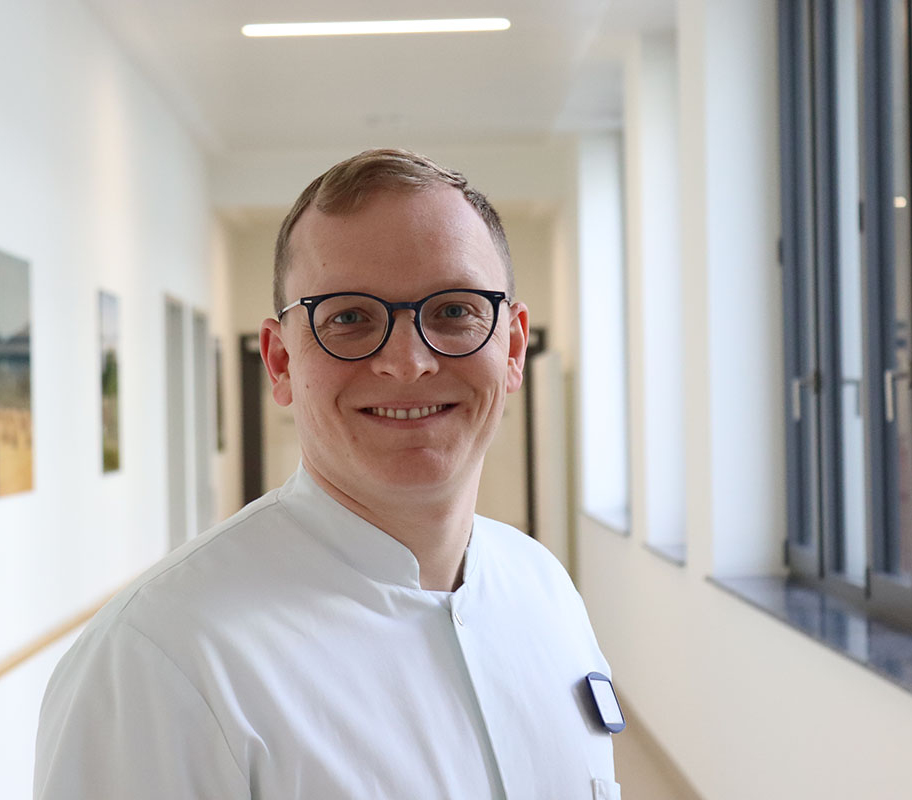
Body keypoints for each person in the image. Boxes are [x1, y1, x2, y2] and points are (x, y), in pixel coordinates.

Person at [34, 149, 619, 799]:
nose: (408, 362)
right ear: (280, 362)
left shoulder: (545, 592)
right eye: (349, 317)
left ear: (511, 347)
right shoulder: (163, 660)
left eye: (454, 310)